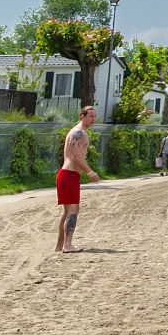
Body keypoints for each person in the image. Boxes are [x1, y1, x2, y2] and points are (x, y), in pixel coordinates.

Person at [55, 104, 100, 253]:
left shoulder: (78, 132)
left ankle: (60, 245)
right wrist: (89, 172)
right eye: (91, 116)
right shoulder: (78, 133)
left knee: (68, 211)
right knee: (73, 210)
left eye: (94, 116)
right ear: (82, 116)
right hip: (69, 175)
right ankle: (67, 245)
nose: (93, 119)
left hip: (68, 175)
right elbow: (76, 156)